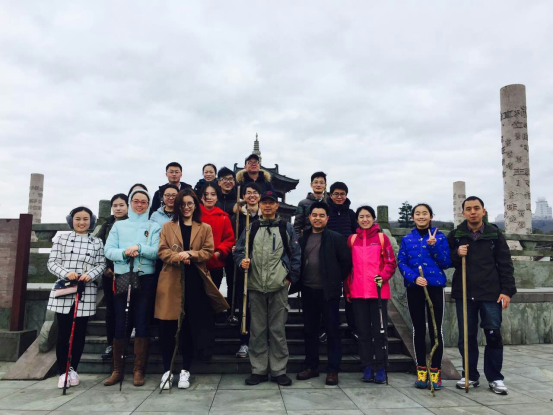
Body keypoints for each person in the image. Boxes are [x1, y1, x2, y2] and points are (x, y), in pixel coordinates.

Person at [156, 188, 229, 389]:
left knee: (188, 326)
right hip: (171, 279)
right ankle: (167, 370)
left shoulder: (204, 227)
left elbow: (207, 251)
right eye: (182, 204)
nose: (186, 207)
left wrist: (191, 254)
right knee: (168, 326)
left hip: (195, 280)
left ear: (195, 205)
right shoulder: (167, 227)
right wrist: (177, 257)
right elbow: (162, 251)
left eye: (190, 203)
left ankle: (185, 370)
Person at [447, 196, 516, 395]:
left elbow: (505, 264)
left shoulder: (494, 234)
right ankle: (470, 375)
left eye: (476, 208)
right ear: (463, 213)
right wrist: (456, 253)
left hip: (491, 293)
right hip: (465, 293)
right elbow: (445, 260)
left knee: (493, 335)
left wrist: (507, 291)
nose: (473, 212)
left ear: (483, 211)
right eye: (468, 209)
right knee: (467, 337)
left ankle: (495, 377)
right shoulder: (456, 235)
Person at [234, 190, 301, 387]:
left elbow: (296, 255)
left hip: (278, 286)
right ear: (260, 205)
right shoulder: (251, 227)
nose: (268, 206)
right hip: (255, 286)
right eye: (264, 203)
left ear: (277, 205)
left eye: (271, 202)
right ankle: (259, 370)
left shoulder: (286, 228)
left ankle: (279, 370)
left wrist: (289, 279)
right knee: (257, 330)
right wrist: (242, 262)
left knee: (277, 330)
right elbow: (238, 251)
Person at [104, 189, 161, 387]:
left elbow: (157, 251)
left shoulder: (154, 226)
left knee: (142, 320)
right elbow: (108, 250)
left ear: (148, 204)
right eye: (136, 201)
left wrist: (140, 248)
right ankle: (117, 370)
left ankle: (138, 370)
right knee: (121, 321)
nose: (139, 205)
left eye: (143, 202)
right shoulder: (119, 225)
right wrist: (124, 253)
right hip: (123, 275)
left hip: (146, 277)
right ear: (130, 203)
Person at [46, 206, 106, 389]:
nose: (81, 222)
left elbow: (101, 264)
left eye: (85, 219)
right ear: (71, 220)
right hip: (65, 288)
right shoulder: (61, 239)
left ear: (91, 221)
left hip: (85, 289)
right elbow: (52, 263)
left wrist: (90, 275)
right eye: (78, 219)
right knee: (64, 333)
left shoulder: (96, 242)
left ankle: (74, 369)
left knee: (79, 333)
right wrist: (67, 273)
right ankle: (62, 371)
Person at [294, 202, 352, 386]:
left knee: (332, 330)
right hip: (308, 290)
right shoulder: (303, 239)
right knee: (310, 330)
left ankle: (333, 369)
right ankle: (311, 366)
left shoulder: (336, 238)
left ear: (327, 218)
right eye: (314, 215)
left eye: (321, 215)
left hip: (329, 292)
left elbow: (346, 264)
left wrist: (334, 280)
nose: (317, 218)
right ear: (309, 217)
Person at [398, 203, 451, 390]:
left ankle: (435, 371)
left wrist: (434, 246)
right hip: (414, 288)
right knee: (418, 330)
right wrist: (414, 278)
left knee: (436, 330)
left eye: (425, 213)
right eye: (418, 213)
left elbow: (446, 262)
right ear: (413, 217)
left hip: (434, 287)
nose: (421, 216)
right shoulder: (407, 239)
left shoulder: (439, 236)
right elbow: (402, 262)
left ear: (431, 216)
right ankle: (421, 370)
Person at [345, 206, 397, 384]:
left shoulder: (382, 238)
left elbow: (391, 262)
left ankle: (381, 367)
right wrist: (348, 289)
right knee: (363, 332)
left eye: (368, 216)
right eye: (361, 217)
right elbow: (348, 267)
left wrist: (383, 276)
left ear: (373, 219)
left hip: (378, 292)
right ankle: (367, 366)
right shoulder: (352, 239)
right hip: (358, 292)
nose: (365, 219)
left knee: (379, 332)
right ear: (357, 220)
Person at [229, 182, 262, 358]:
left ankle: (261, 343)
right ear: (243, 196)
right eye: (248, 192)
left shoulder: (267, 216)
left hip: (264, 268)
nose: (251, 195)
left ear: (260, 196)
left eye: (255, 192)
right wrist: (236, 249)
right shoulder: (237, 217)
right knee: (245, 305)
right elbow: (232, 238)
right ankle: (244, 342)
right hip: (244, 265)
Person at [326, 181, 359, 342]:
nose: (339, 197)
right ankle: (329, 328)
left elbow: (357, 232)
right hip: (329, 258)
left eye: (342, 194)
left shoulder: (351, 214)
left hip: (348, 260)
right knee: (330, 296)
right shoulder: (326, 211)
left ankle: (354, 328)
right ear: (330, 195)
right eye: (336, 194)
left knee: (350, 295)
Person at [97, 194, 129, 361]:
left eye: (121, 205)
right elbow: (99, 247)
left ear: (128, 206)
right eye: (115, 205)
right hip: (110, 274)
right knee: (111, 310)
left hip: (128, 273)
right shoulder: (107, 225)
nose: (118, 208)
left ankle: (126, 344)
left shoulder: (132, 224)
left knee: (126, 310)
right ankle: (112, 344)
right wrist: (106, 267)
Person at [199, 182, 235, 290]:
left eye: (213, 194)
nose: (209, 197)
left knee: (213, 297)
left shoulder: (223, 217)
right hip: (197, 264)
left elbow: (229, 239)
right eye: (206, 194)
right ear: (201, 197)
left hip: (216, 264)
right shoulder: (194, 215)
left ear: (217, 197)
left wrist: (219, 253)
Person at [294, 171, 327, 236]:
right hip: (308, 237)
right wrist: (299, 240)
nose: (318, 185)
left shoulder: (328, 202)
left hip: (326, 237)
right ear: (311, 185)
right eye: (316, 182)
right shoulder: (303, 203)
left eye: (321, 183)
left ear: (325, 185)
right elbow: (297, 227)